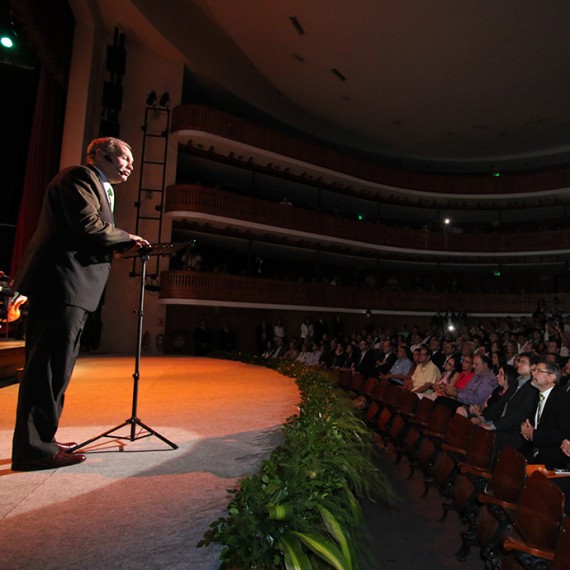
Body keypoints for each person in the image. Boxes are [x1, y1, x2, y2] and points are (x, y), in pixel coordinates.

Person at [10, 137, 149, 471]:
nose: (130, 166)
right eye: (125, 159)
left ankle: (43, 440)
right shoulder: (79, 177)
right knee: (47, 370)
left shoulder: (96, 184)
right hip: (61, 285)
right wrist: (127, 237)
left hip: (71, 288)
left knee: (57, 369)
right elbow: (87, 225)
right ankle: (33, 450)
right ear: (100, 155)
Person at [520, 359, 570, 467]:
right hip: (535, 450)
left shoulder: (563, 399)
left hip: (554, 457)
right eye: (534, 370)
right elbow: (535, 422)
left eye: (539, 371)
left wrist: (534, 434)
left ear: (552, 377)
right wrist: (525, 427)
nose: (533, 373)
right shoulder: (538, 394)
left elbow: (564, 433)